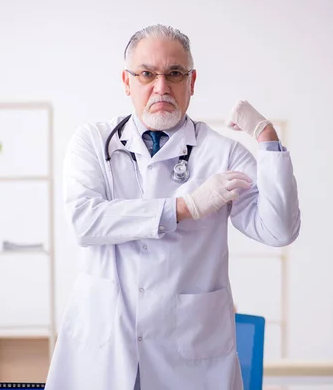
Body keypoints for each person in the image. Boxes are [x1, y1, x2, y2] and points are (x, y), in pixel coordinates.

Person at [45, 24, 301, 390]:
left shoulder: (221, 152)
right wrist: (184, 206)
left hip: (189, 356)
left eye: (174, 74)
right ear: (127, 81)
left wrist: (268, 140)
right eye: (147, 74)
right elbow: (85, 222)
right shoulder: (92, 141)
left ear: (192, 82)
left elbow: (279, 230)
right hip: (105, 346)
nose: (161, 87)